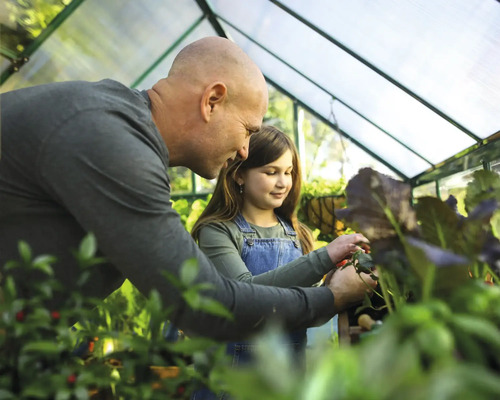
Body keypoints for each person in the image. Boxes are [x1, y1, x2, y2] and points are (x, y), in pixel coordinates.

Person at [0, 36, 376, 341]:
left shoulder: (117, 127)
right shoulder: (111, 142)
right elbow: (202, 304)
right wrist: (333, 296)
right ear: (212, 100)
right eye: (247, 130)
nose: (245, 150)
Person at [191, 126, 370, 370]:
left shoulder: (298, 233)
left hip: (289, 381)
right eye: (271, 172)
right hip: (236, 382)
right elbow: (246, 294)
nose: (283, 182)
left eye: (288, 172)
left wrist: (338, 284)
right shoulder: (217, 231)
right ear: (239, 175)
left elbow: (307, 309)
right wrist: (325, 256)